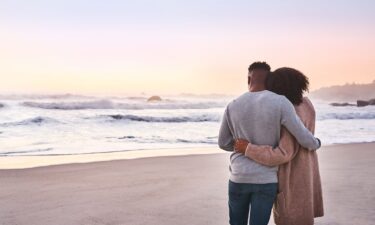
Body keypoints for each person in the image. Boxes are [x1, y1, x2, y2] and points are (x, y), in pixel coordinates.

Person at [218, 62, 321, 225]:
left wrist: (241, 147)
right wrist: (316, 143)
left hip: (238, 176)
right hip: (266, 179)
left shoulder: (233, 105)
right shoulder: (282, 103)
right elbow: (302, 136)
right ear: (269, 79)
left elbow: (223, 142)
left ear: (248, 78)